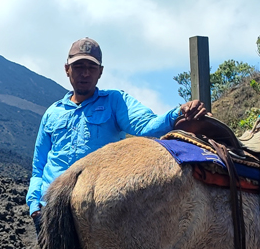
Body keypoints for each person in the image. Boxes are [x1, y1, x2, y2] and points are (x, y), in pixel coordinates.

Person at [26, 38, 206, 233]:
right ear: (67, 69)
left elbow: (146, 126)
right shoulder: (53, 112)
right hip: (53, 208)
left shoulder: (115, 101)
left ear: (100, 72)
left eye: (91, 67)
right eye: (78, 66)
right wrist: (35, 207)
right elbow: (39, 166)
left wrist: (178, 113)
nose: (85, 73)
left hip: (96, 206)